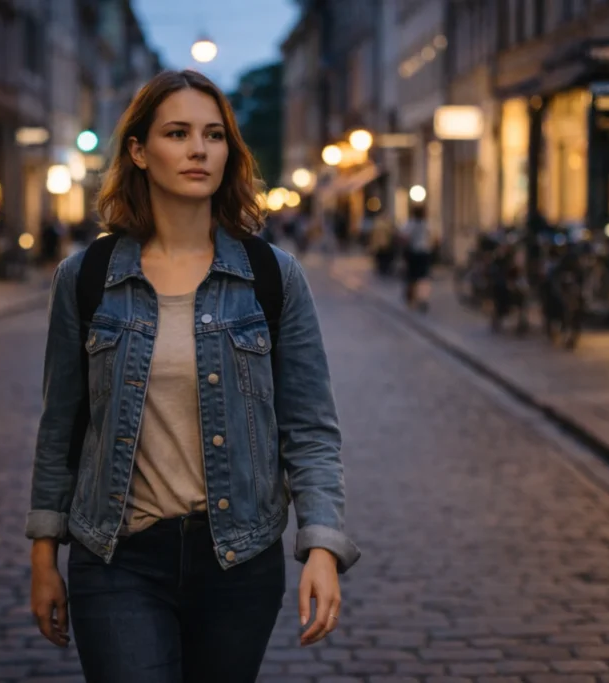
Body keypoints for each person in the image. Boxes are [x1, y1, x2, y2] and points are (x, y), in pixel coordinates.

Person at [26, 70, 360, 683]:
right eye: (177, 133)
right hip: (118, 556)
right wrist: (44, 552)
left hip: (239, 559)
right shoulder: (88, 276)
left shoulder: (272, 275)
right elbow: (62, 426)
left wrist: (321, 545)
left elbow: (310, 427)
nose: (198, 149)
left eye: (213, 135)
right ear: (138, 150)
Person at [401, 204, 435, 311]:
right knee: (423, 277)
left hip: (414, 253)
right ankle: (423, 298)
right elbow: (433, 237)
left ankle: (412, 297)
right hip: (424, 253)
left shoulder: (410, 224)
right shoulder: (427, 224)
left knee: (412, 276)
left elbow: (404, 237)